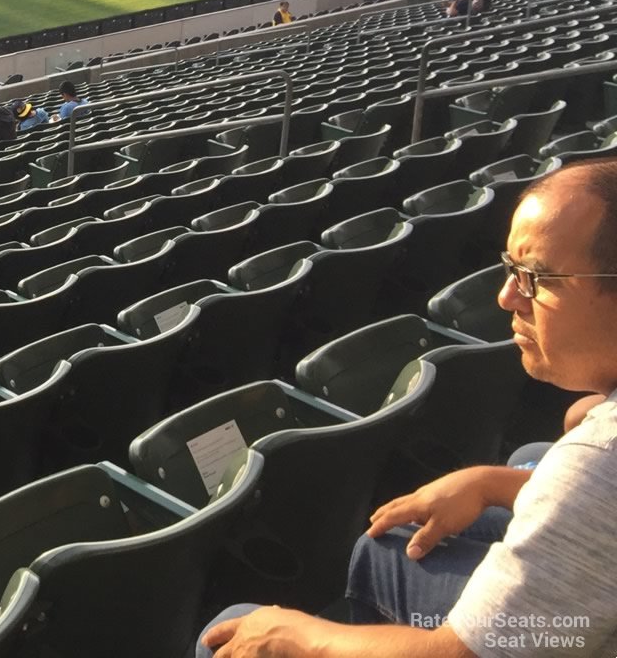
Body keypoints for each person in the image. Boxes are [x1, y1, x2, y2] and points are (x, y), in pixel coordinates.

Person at [196, 161, 617, 658]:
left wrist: (301, 638)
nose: (506, 297)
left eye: (536, 278)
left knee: (232, 630)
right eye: (510, 269)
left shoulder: (596, 461)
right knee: (389, 542)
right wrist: (494, 482)